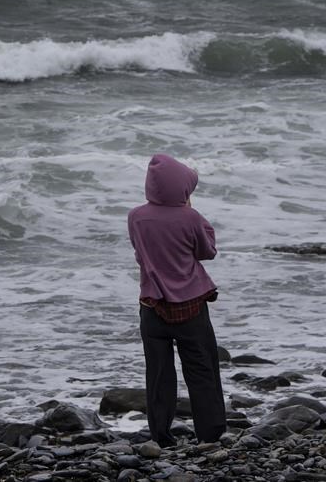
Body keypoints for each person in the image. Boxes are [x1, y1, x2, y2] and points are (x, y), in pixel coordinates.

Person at [128, 153, 226, 446]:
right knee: (201, 370)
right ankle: (210, 434)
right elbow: (207, 250)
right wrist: (190, 213)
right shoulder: (190, 217)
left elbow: (139, 252)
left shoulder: (136, 216)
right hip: (191, 306)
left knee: (158, 376)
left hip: (152, 307)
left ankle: (161, 436)